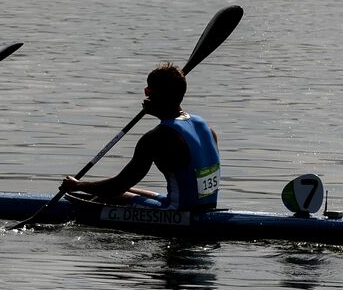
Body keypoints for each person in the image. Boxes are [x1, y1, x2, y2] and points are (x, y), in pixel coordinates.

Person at [57, 62, 221, 211]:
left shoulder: (158, 137)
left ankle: (77, 216)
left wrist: (77, 185)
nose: (146, 97)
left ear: (160, 96)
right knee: (127, 191)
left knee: (111, 195)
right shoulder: (205, 127)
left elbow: (117, 186)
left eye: (148, 91)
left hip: (178, 212)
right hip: (206, 208)